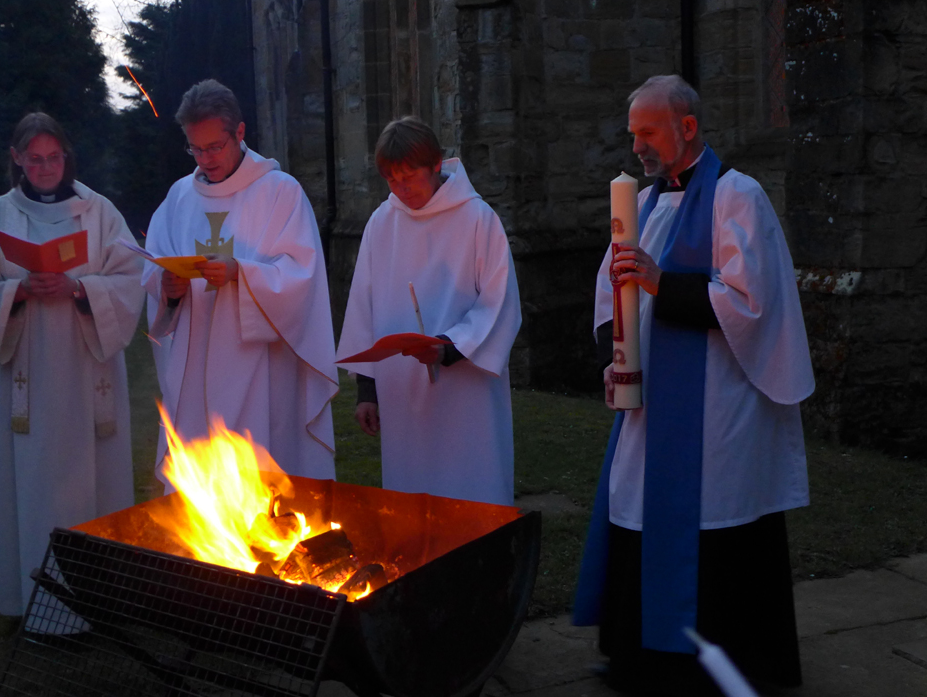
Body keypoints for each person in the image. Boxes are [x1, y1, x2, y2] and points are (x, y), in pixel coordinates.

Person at [572, 75, 815, 695]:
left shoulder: (738, 196)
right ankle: (643, 660)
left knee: (713, 522)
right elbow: (608, 292)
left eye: (648, 133)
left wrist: (661, 282)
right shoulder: (642, 204)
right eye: (633, 134)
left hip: (716, 409)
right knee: (637, 510)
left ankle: (714, 669)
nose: (637, 147)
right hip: (651, 406)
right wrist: (611, 359)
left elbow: (751, 303)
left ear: (687, 127)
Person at [0, 112, 144, 618]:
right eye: (34, 159)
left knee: (92, 482)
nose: (44, 167)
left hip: (86, 371)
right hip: (27, 377)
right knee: (33, 485)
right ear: (17, 159)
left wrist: (79, 287)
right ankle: (34, 605)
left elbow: (131, 280)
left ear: (66, 156)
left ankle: (97, 604)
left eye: (52, 157)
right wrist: (17, 290)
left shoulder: (98, 213)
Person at [143, 79, 337, 487]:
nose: (206, 159)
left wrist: (241, 274)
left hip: (261, 366)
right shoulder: (179, 198)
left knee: (261, 476)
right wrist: (169, 290)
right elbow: (155, 269)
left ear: (240, 132)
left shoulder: (280, 192)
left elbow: (301, 277)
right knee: (201, 485)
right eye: (196, 148)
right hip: (195, 362)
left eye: (215, 147)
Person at [336, 117, 522, 506]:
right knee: (412, 495)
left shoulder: (477, 218)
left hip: (465, 387)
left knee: (470, 488)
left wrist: (448, 347)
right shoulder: (382, 223)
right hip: (401, 389)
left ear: (436, 163)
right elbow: (363, 308)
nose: (401, 189)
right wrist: (367, 391)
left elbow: (498, 301)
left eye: (409, 177)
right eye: (392, 180)